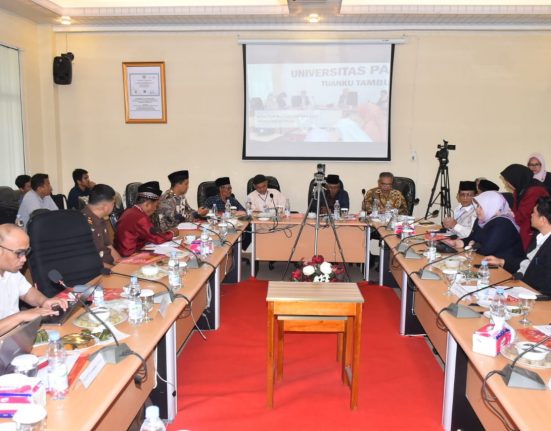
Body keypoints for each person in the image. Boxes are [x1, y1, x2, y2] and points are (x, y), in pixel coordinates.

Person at [0, 224, 67, 336]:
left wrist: (44, 301)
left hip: (16, 336)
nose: (24, 259)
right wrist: (21, 316)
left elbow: (26, 292)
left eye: (26, 252)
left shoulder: (11, 271)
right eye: (19, 253)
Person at [484, 197, 551, 294]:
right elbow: (529, 264)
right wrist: (502, 262)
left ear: (543, 220)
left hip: (535, 295)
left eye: (534, 212)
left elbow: (544, 283)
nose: (531, 215)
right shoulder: (539, 236)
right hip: (524, 287)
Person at [445, 191, 524, 264]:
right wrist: (457, 243)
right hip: (486, 262)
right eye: (477, 206)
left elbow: (486, 249)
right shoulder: (482, 220)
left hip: (506, 267)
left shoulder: (502, 222)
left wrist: (473, 245)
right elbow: (472, 238)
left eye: (481, 207)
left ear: (493, 207)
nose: (477, 209)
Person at [114, 181, 179, 257]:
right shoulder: (140, 217)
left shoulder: (129, 211)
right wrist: (172, 232)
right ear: (147, 204)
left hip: (123, 252)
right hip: (130, 255)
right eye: (156, 205)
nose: (155, 209)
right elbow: (158, 238)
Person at [500, 163, 549, 251]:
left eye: (507, 181)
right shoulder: (519, 190)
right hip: (523, 230)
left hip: (533, 232)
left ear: (516, 178)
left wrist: (505, 215)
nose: (506, 185)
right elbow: (515, 213)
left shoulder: (535, 190)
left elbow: (522, 216)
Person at [82, 184, 121, 268]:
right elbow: (89, 261)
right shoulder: (82, 223)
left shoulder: (100, 219)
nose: (114, 206)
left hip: (110, 267)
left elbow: (109, 246)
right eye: (113, 203)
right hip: (97, 271)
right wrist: (115, 271)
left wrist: (122, 266)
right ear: (105, 207)